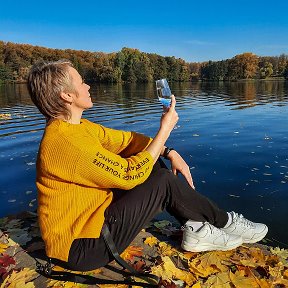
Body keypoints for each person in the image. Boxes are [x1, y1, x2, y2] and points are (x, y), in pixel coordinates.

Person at [27, 59, 268, 272]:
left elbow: (127, 141)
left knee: (151, 161)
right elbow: (130, 175)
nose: (88, 86)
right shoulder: (64, 143)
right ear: (67, 96)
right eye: (81, 82)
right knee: (161, 181)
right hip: (81, 247)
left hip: (94, 222)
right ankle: (226, 222)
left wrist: (168, 151)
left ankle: (196, 228)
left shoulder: (80, 128)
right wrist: (165, 129)